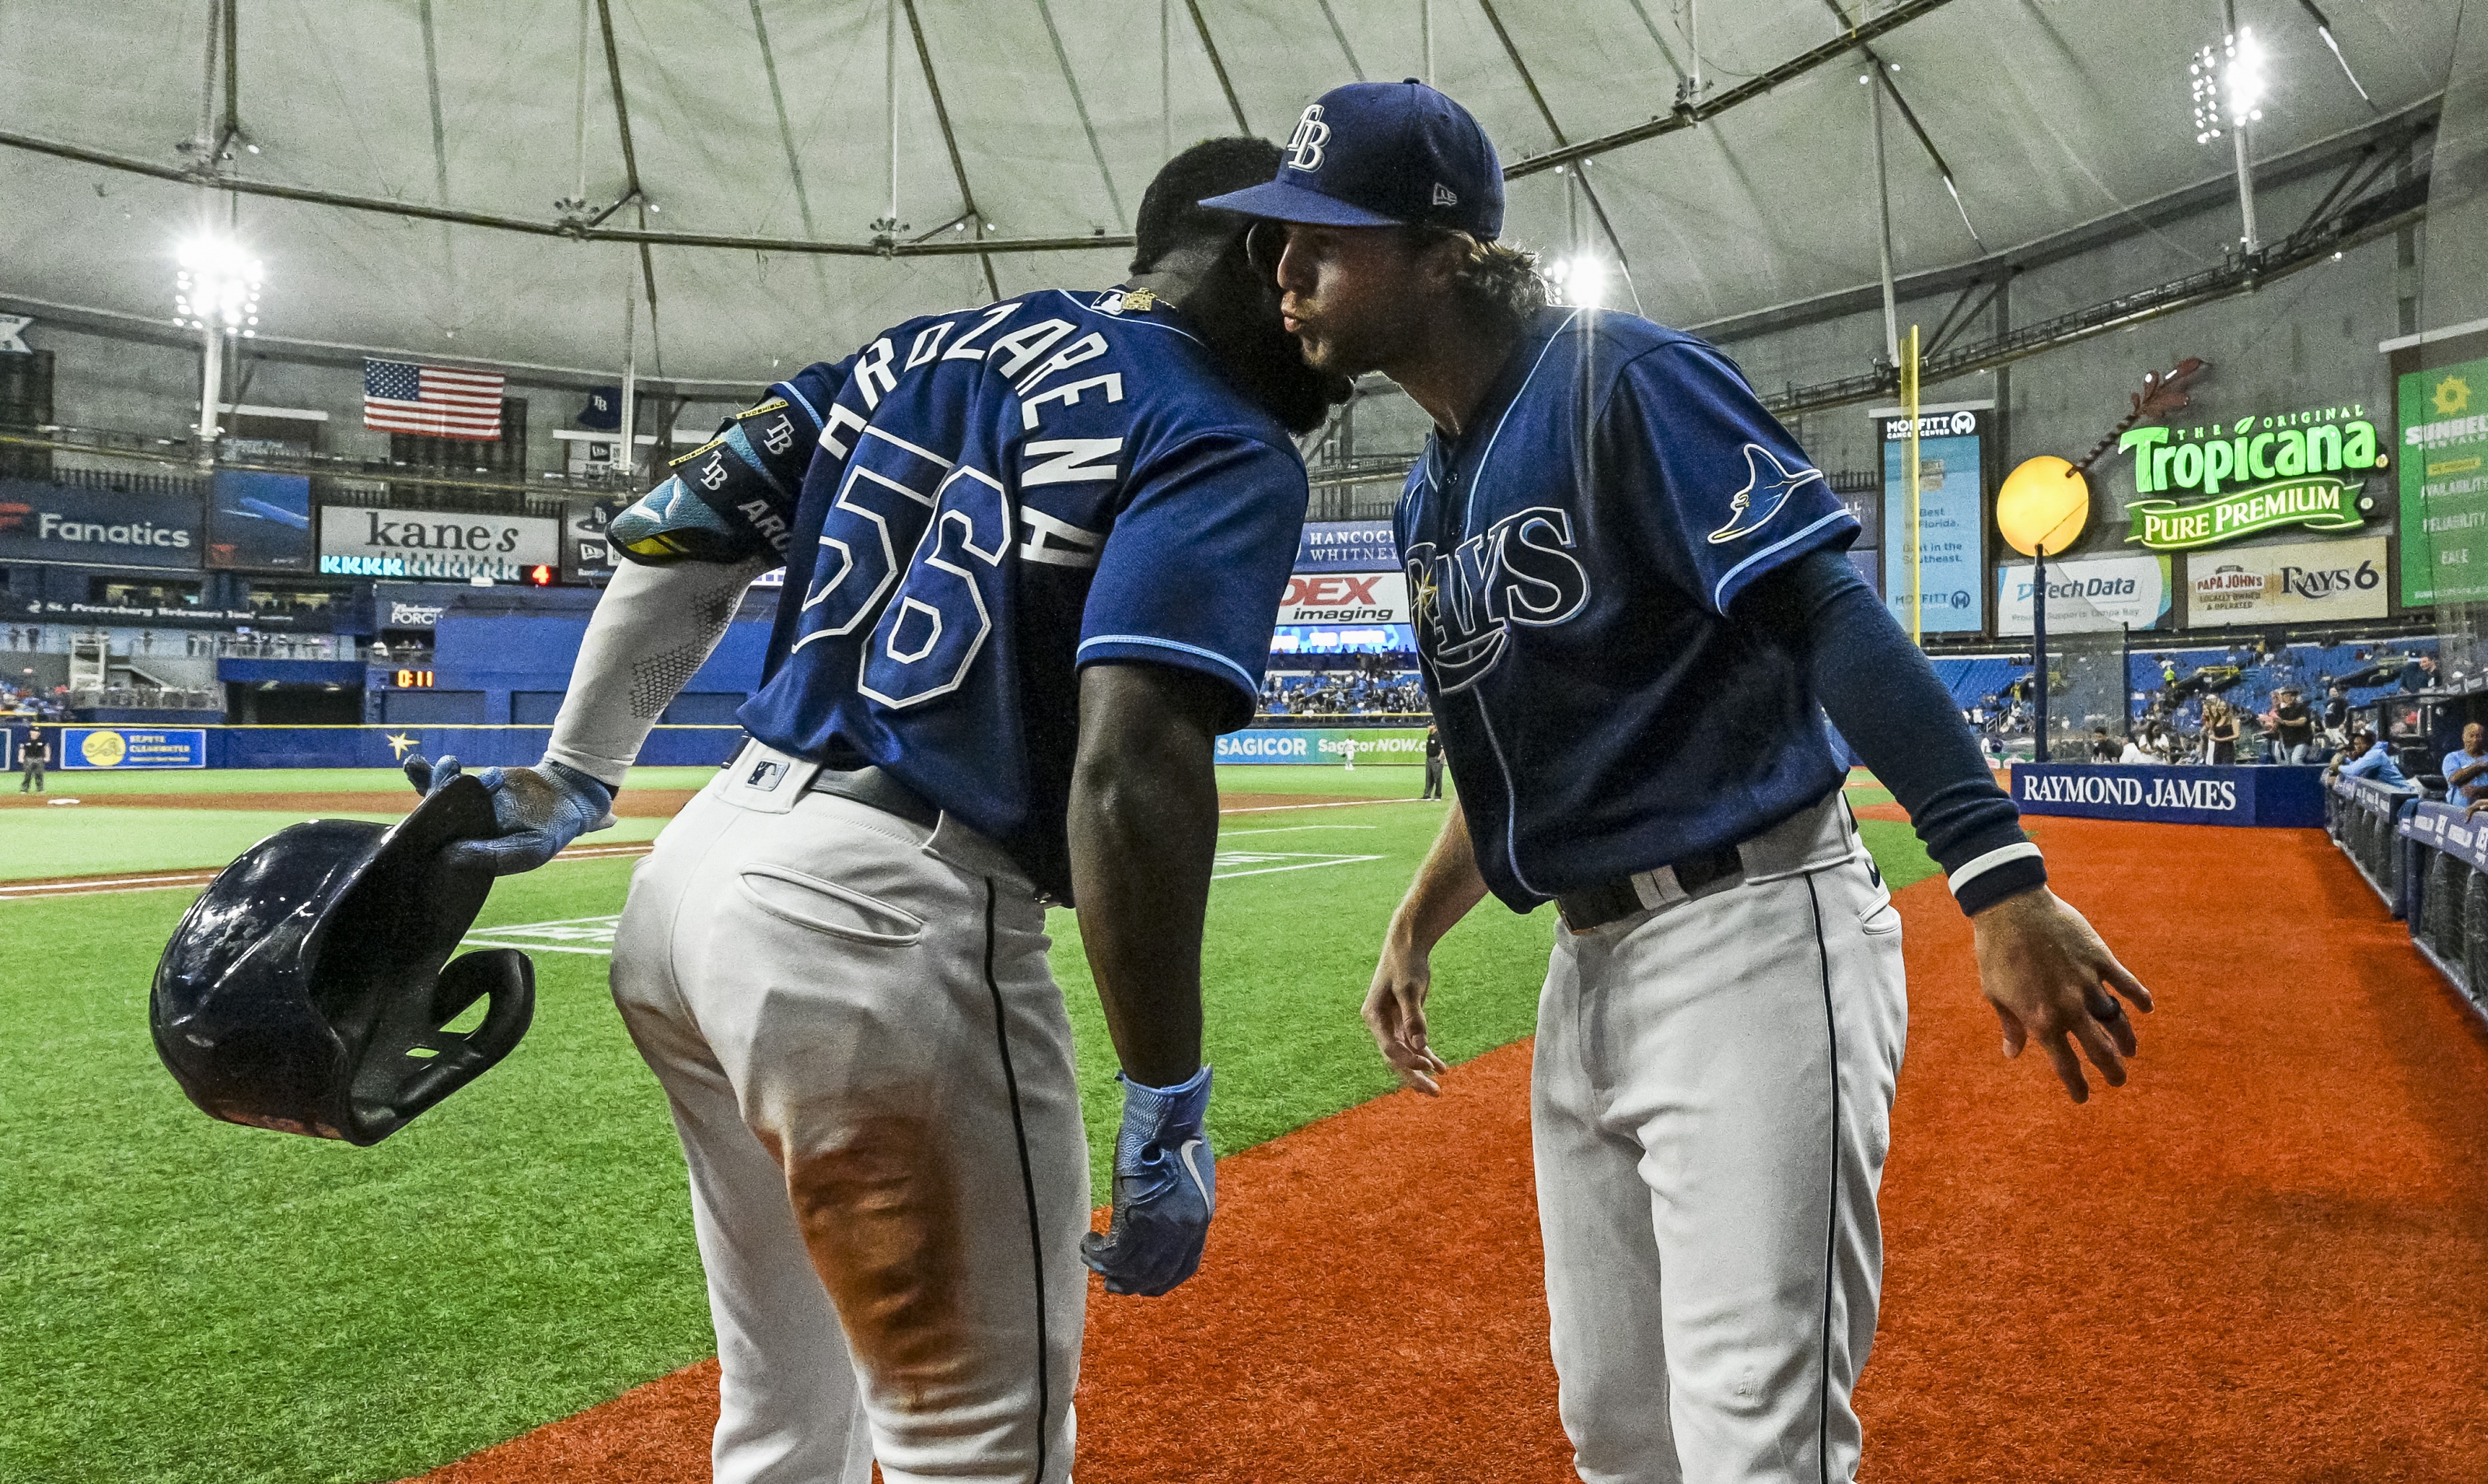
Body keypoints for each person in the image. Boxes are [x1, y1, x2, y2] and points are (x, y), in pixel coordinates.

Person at [1215, 81, 2152, 1484]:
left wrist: (1998, 874)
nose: (1283, 272)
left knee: (1755, 1440)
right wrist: (1416, 923)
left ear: (1442, 247)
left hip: (1755, 940)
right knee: (1616, 1428)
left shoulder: (1620, 379)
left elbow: (1828, 611)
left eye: (1322, 239)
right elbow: (1517, 756)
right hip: (1585, 974)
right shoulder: (1429, 494)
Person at [402, 138, 1349, 1484]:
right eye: (1308, 280)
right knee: (976, 1445)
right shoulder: (1212, 428)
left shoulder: (921, 345)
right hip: (883, 919)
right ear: (1262, 256)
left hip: (694, 883)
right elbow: (1131, 772)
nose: (1328, 341)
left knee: (785, 1420)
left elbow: (683, 533)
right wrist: (1167, 1088)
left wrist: (579, 768)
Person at [2330, 727, 2409, 787]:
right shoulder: (2370, 753)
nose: (2356, 747)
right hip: (2396, 792)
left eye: (2359, 744)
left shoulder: (2376, 754)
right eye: (2355, 744)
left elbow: (2352, 770)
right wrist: (2344, 759)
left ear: (2368, 744)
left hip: (2404, 792)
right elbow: (2356, 764)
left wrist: (2338, 767)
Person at [2264, 686, 2315, 764]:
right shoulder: (2282, 711)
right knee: (2288, 764)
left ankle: (2304, 775)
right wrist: (2268, 725)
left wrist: (2284, 722)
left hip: (2302, 741)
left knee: (2296, 760)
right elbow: (2277, 727)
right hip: (2287, 743)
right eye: (2285, 696)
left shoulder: (2301, 708)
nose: (2287, 698)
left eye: (2290, 696)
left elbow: (2302, 721)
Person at [2442, 720, 2488, 802]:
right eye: (2472, 736)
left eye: (2481, 736)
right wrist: (2479, 766)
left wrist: (2479, 791)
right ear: (2464, 737)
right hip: (2458, 811)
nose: (2477, 740)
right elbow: (2454, 779)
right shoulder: (2452, 758)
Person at [2202, 697, 2241, 764]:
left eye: (2224, 707)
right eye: (2220, 706)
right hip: (2217, 751)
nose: (2222, 708)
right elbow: (2211, 732)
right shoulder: (2216, 720)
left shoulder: (2232, 720)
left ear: (2227, 708)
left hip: (2228, 750)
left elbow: (2236, 735)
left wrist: (2218, 739)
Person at [1421, 721, 1445, 800]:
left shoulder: (1439, 736)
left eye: (1429, 726)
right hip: (1429, 758)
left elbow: (1443, 749)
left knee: (1437, 778)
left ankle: (1438, 795)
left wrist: (1439, 758)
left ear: (1434, 726)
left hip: (1436, 758)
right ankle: (1427, 794)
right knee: (1429, 777)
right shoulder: (1430, 736)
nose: (1428, 727)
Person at [18, 728, 47, 793]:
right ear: (30, 732)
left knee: (39, 774)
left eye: (36, 732)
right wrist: (21, 758)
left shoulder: (42, 741)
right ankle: (24, 789)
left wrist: (47, 757)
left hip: (39, 758)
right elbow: (22, 749)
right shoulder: (26, 740)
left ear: (39, 733)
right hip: (29, 758)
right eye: (33, 731)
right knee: (28, 774)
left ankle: (40, 789)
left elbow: (46, 748)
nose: (34, 733)